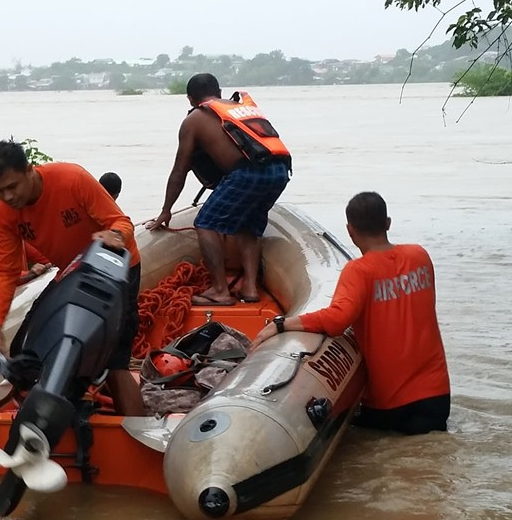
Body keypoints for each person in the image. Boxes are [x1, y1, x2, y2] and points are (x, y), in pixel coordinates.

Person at [253, 192, 449, 433]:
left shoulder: (359, 271)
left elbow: (337, 320)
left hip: (391, 404)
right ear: (388, 223)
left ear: (350, 230)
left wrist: (281, 324)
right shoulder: (420, 256)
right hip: (438, 396)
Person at [0, 141, 146, 417]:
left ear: (30, 171)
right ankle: (51, 410)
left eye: (12, 186)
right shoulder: (4, 212)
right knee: (25, 347)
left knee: (116, 363)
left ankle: (136, 430)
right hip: (72, 273)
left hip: (115, 269)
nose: (7, 197)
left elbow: (121, 221)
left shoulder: (72, 179)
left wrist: (115, 236)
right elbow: (4, 272)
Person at [146, 73, 292, 306]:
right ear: (220, 92)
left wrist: (166, 210)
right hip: (280, 170)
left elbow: (179, 170)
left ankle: (220, 290)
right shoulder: (237, 108)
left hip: (248, 172)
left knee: (205, 223)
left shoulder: (195, 118)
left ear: (190, 99)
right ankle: (251, 288)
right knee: (248, 226)